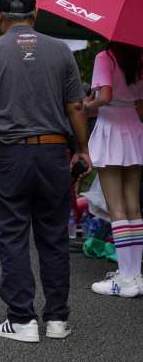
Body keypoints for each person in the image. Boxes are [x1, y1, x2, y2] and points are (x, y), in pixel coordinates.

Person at [0, 0, 91, 343]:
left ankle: (22, 320)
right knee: (53, 236)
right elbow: (76, 107)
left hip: (10, 156)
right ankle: (57, 320)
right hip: (53, 154)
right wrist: (82, 149)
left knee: (13, 235)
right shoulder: (61, 52)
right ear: (36, 13)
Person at [83, 43, 143, 297]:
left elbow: (105, 96)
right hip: (134, 129)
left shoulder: (104, 57)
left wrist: (86, 106)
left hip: (110, 129)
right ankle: (135, 275)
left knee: (116, 206)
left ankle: (125, 277)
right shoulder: (140, 59)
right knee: (133, 206)